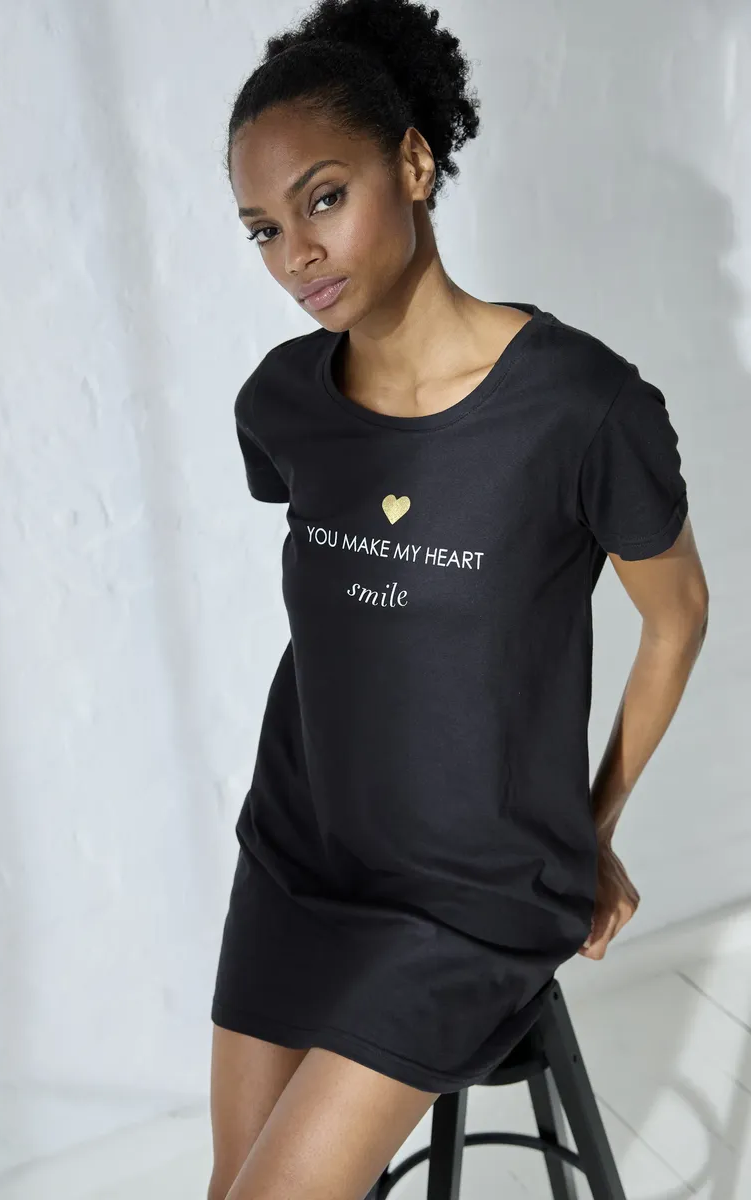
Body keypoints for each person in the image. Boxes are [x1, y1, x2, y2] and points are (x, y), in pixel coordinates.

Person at [208, 2, 710, 1197]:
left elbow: (678, 614)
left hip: (472, 895)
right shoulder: (283, 403)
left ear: (415, 163)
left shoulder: (582, 409)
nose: (296, 255)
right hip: (299, 850)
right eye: (264, 229)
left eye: (325, 199)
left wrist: (589, 828)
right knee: (231, 1185)